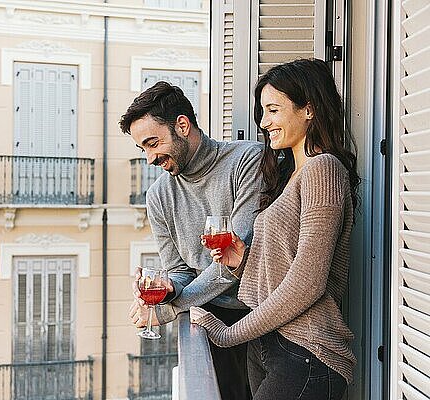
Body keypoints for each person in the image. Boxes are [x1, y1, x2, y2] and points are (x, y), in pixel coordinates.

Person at [190, 58, 360, 400]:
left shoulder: (323, 169)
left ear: (308, 110)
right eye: (263, 111)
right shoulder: (291, 176)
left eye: (273, 110)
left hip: (306, 353)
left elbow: (307, 283)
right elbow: (287, 267)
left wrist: (228, 334)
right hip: (271, 345)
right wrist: (243, 261)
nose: (264, 122)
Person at [120, 81, 263, 400]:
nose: (149, 159)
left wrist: (169, 309)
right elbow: (179, 270)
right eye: (142, 149)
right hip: (209, 319)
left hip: (261, 315)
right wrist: (168, 289)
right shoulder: (158, 196)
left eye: (152, 143)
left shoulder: (246, 160)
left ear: (182, 125)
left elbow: (235, 261)